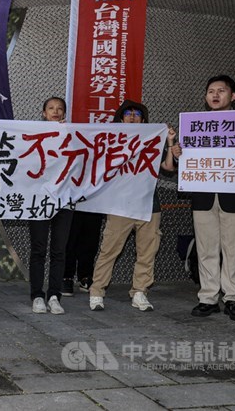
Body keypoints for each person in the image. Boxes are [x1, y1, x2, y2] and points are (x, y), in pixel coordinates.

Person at [173, 75, 235, 322]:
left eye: (221, 91)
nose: (215, 95)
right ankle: (207, 298)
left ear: (233, 96)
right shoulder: (194, 125)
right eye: (210, 91)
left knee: (234, 251)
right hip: (204, 197)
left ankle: (233, 299)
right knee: (206, 250)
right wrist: (177, 155)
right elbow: (187, 161)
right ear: (205, 97)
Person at [88, 100, 176, 311]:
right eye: (128, 113)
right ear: (121, 118)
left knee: (147, 251)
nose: (133, 116)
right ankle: (97, 292)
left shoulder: (152, 140)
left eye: (138, 114)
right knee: (109, 250)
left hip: (149, 204)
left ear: (144, 120)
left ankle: (140, 292)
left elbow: (168, 167)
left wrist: (171, 143)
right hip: (120, 205)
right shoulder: (112, 140)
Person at [28, 96, 74, 315]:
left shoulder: (73, 136)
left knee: (59, 250)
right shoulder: (32, 135)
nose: (55, 112)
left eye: (60, 109)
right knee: (38, 249)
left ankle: (54, 295)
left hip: (64, 201)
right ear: (43, 113)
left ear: (64, 114)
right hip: (38, 200)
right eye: (51, 108)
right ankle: (37, 295)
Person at [62, 211, 104, 295]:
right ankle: (67, 277)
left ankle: (86, 276)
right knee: (70, 237)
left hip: (94, 203)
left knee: (91, 239)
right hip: (72, 203)